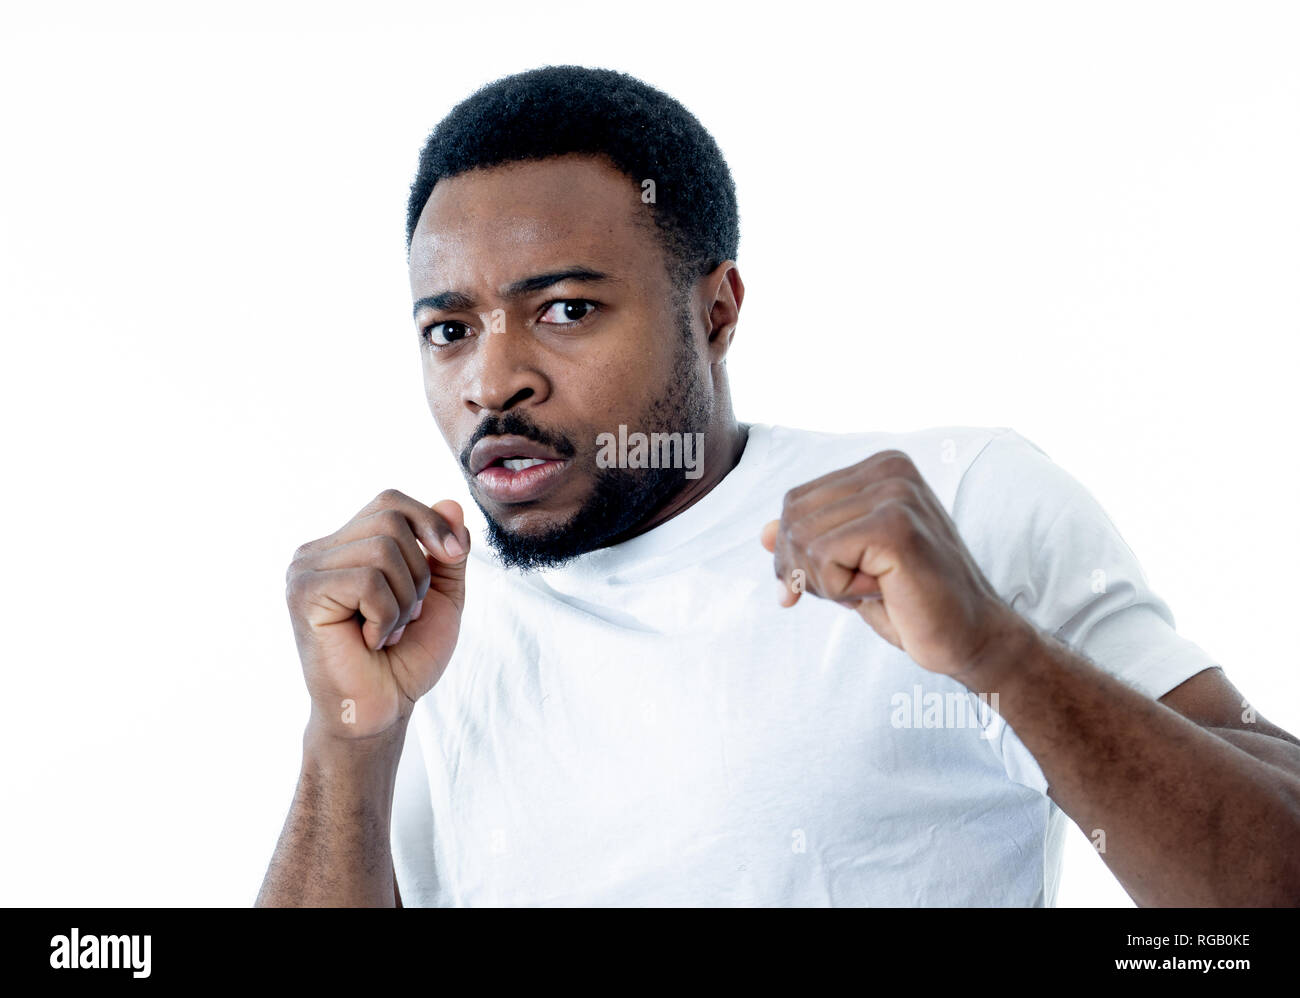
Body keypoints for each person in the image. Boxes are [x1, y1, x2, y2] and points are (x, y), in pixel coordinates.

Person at [256, 65, 1300, 907]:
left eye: (566, 309)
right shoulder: (409, 624)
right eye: (449, 329)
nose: (492, 378)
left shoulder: (950, 507)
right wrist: (349, 738)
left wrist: (1000, 654)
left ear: (715, 310)